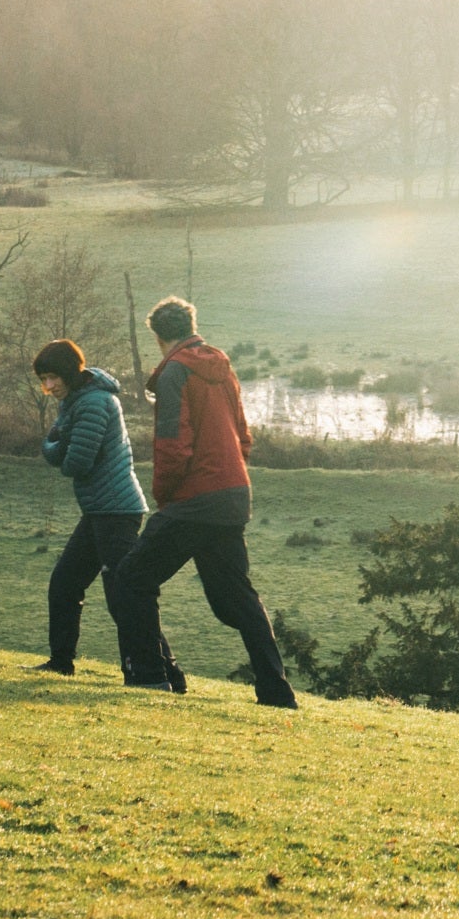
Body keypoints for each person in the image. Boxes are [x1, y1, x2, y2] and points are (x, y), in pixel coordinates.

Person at [103, 295, 296, 706]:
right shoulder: (223, 368)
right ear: (192, 324)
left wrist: (165, 496)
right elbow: (244, 434)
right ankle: (276, 690)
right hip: (233, 494)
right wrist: (229, 474)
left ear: (157, 336)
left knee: (131, 577)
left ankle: (152, 676)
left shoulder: (175, 373)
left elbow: (173, 444)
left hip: (195, 497)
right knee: (236, 600)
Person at [28, 339, 164, 679]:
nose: (48, 386)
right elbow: (59, 447)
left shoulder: (91, 404)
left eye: (53, 377)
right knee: (65, 583)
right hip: (100, 510)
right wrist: (57, 445)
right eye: (44, 378)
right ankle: (61, 663)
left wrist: (55, 445)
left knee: (123, 596)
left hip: (116, 511)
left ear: (71, 372)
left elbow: (75, 462)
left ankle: (157, 674)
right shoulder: (76, 401)